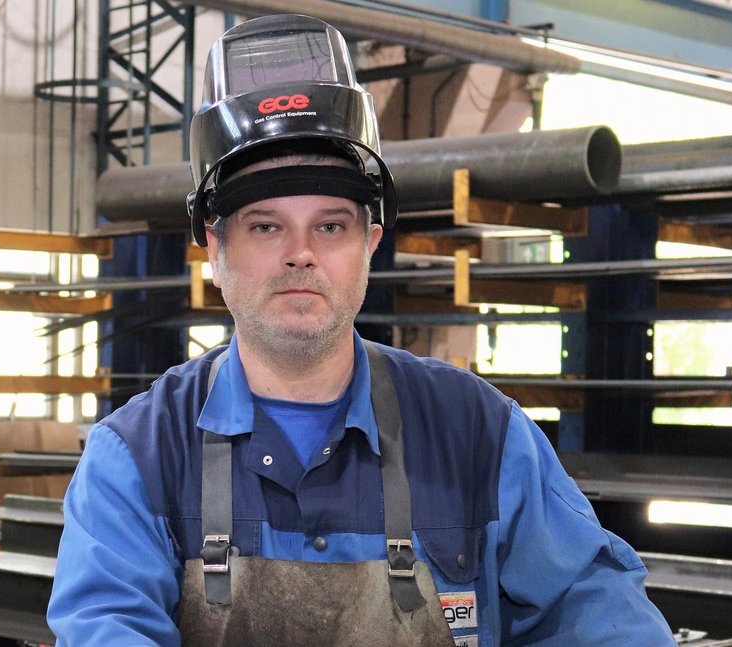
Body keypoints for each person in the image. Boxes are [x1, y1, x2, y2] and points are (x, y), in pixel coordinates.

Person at [46, 14, 673, 646]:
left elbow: (603, 616)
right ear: (215, 246)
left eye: (330, 226)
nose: (300, 254)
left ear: (370, 242)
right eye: (265, 226)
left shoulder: (480, 436)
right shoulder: (137, 460)